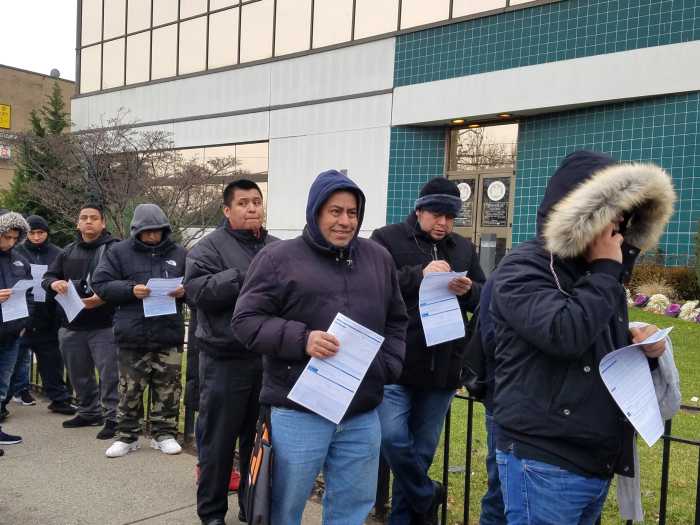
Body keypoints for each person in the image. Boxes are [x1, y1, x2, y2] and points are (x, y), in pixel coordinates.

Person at [490, 151, 675, 524]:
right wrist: (606, 269)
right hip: (544, 458)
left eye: (624, 215)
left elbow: (593, 344)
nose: (618, 225)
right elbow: (564, 334)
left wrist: (642, 346)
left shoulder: (598, 273)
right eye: (611, 212)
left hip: (592, 456)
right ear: (579, 211)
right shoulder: (525, 266)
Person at [232, 169, 408, 525]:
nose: (345, 221)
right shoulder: (277, 259)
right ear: (315, 212)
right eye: (335, 211)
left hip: (361, 413)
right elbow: (246, 321)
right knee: (283, 508)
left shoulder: (378, 258)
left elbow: (396, 320)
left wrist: (387, 366)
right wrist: (303, 339)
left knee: (352, 508)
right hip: (298, 412)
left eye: (352, 213)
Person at [370, 177, 485, 525]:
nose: (443, 223)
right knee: (392, 438)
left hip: (443, 366)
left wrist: (469, 290)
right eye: (437, 214)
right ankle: (426, 492)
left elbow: (486, 297)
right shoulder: (386, 239)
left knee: (421, 453)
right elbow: (374, 286)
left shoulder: (463, 248)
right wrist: (418, 274)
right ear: (419, 210)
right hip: (399, 362)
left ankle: (402, 518)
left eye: (450, 217)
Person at [184, 179, 277, 525]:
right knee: (218, 443)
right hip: (223, 360)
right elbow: (196, 291)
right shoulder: (207, 248)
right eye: (243, 203)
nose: (252, 208)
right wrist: (241, 277)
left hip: (267, 360)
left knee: (259, 442)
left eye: (256, 201)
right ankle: (212, 513)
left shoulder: (276, 247)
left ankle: (252, 508)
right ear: (227, 210)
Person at [92, 204, 186, 458]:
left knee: (168, 387)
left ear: (165, 229)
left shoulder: (179, 253)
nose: (152, 235)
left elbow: (195, 283)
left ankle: (164, 433)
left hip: (168, 333)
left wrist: (184, 291)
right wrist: (130, 290)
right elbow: (100, 283)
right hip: (132, 334)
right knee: (129, 389)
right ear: (137, 230)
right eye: (147, 231)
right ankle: (126, 436)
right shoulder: (118, 252)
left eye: (157, 230)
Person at [42, 204, 120, 440]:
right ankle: (88, 412)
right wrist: (54, 283)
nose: (88, 221)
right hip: (72, 323)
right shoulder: (67, 251)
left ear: (103, 223)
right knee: (78, 374)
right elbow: (48, 277)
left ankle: (113, 417)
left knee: (110, 375)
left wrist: (104, 297)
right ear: (77, 224)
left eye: (94, 218)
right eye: (84, 218)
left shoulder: (114, 250)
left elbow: (125, 282)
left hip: (105, 324)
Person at [9, 215, 75, 415]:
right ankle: (4, 402)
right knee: (11, 364)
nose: (36, 237)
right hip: (21, 316)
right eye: (32, 233)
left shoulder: (58, 253)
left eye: (41, 232)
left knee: (52, 363)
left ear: (47, 233)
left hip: (48, 317)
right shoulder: (16, 252)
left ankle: (59, 399)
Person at [0, 212, 34, 447]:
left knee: (2, 386)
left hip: (12, 334)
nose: (10, 242)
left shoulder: (21, 261)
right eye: (6, 236)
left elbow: (29, 295)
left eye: (15, 238)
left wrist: (24, 324)